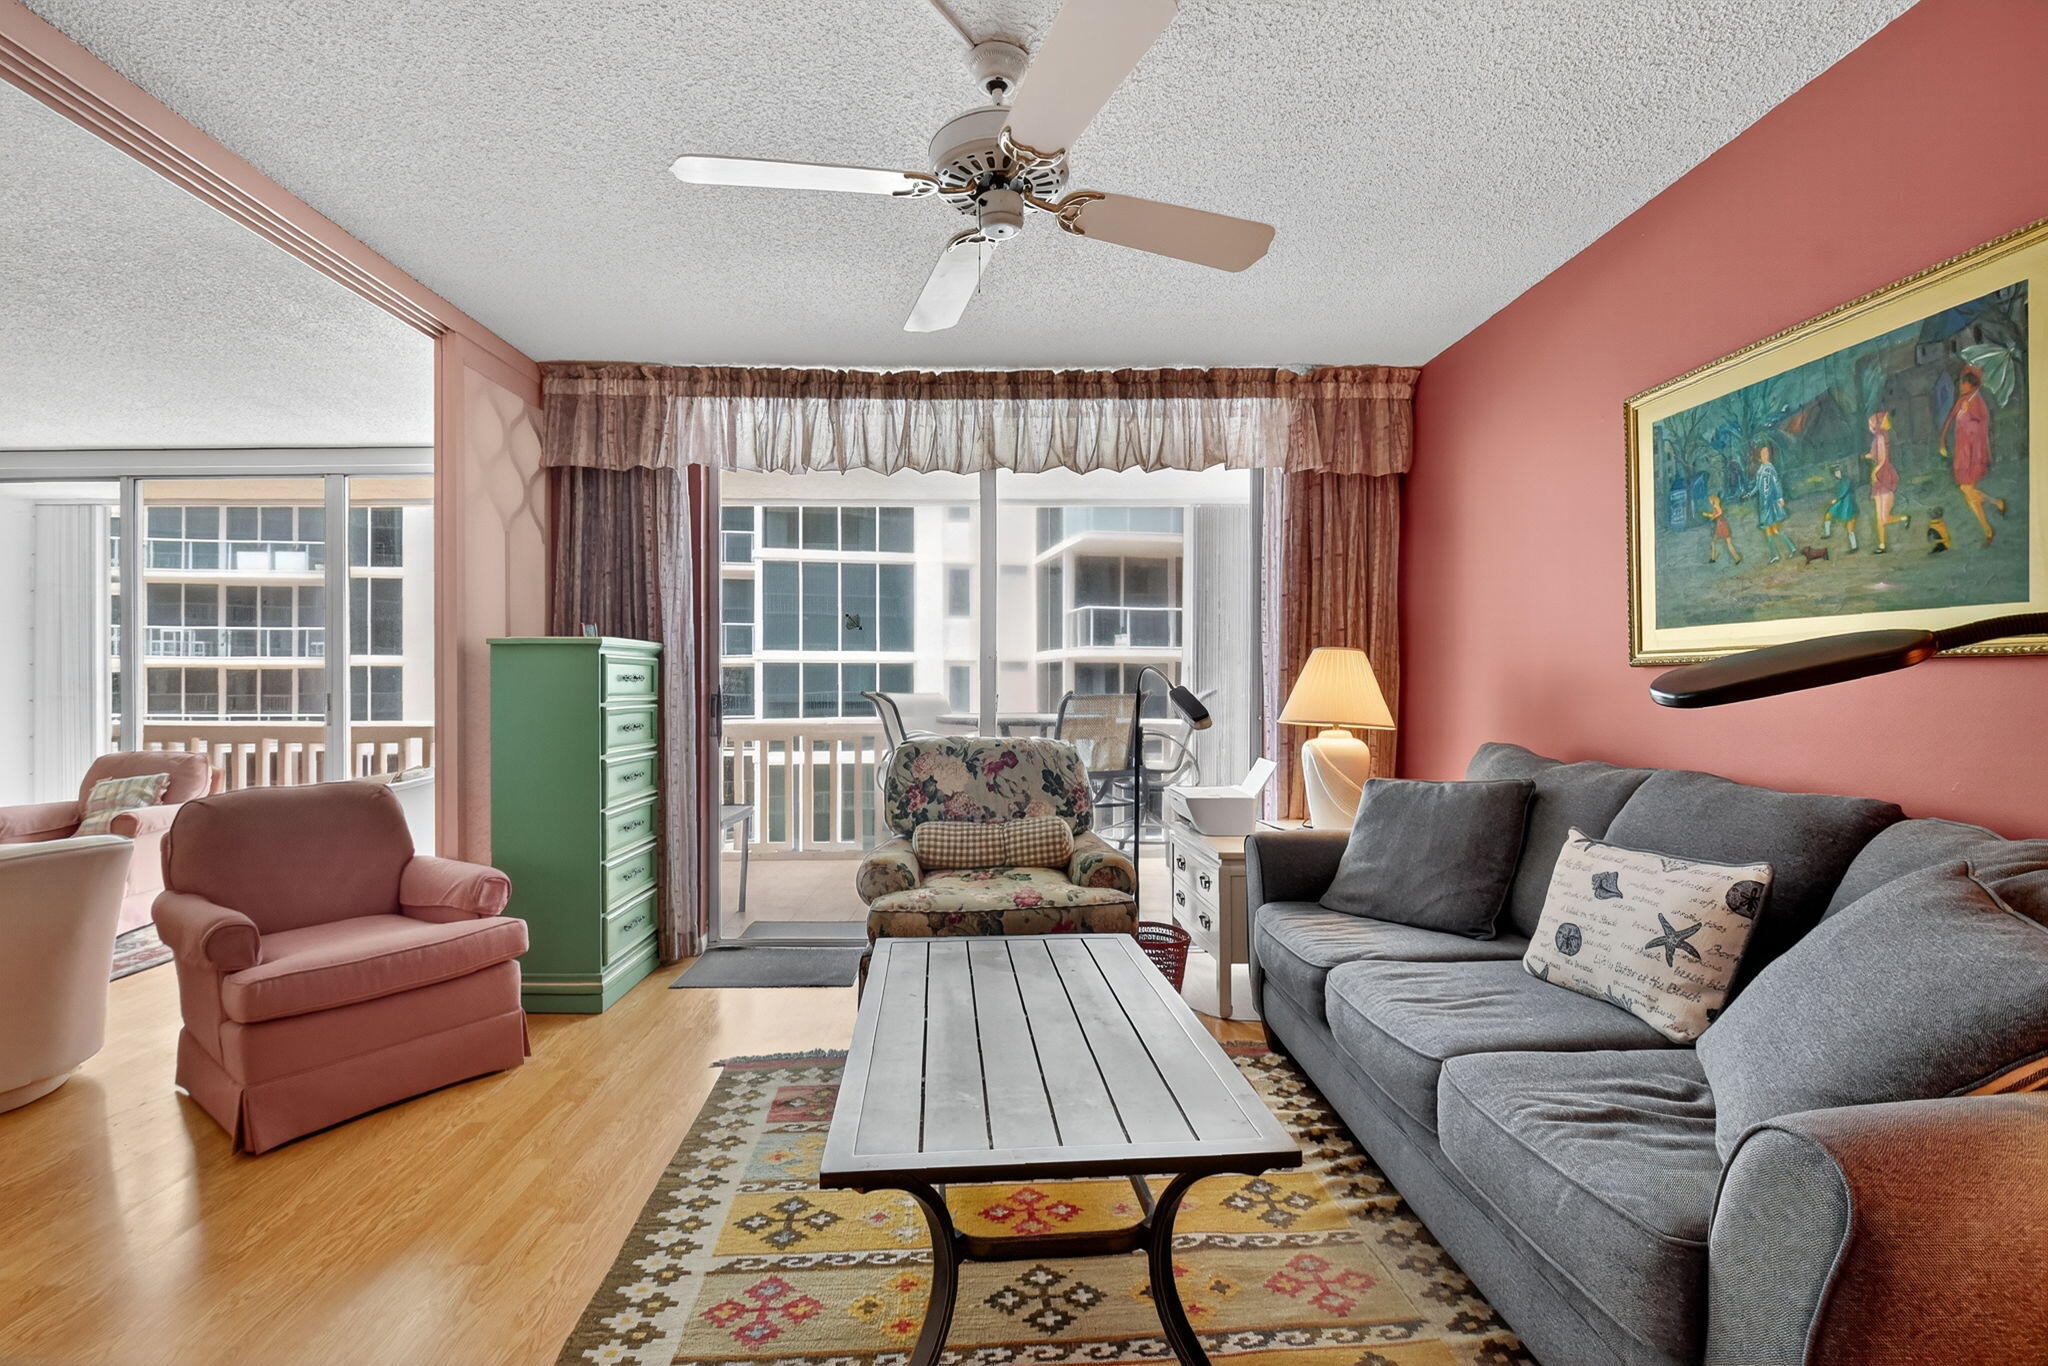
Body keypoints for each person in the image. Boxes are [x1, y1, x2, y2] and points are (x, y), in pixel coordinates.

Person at [1936, 366, 2007, 545]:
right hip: (1962, 452)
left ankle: (1988, 529)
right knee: (1967, 491)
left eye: (1964, 383)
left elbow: (1982, 427)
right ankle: (1996, 504)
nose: (1961, 386)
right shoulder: (1961, 401)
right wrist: (1942, 441)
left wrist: (1971, 415)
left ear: (1972, 385)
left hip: (1974, 453)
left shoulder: (1978, 403)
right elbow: (1949, 420)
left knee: (1967, 491)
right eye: (1961, 383)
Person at [1862, 411, 1910, 553]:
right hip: (1880, 474)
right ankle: (1881, 544)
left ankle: (1904, 518)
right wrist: (1866, 456)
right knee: (1880, 517)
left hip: (1884, 474)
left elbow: (1883, 458)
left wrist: (1874, 471)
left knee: (1883, 516)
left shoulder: (1881, 437)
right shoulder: (1878, 438)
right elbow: (1876, 454)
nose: (1888, 421)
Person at [1752, 446, 1800, 562]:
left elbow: (1777, 483)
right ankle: (1775, 555)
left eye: (1767, 453)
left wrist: (1780, 497)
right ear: (1759, 456)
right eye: (1763, 453)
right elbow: (1758, 486)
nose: (1765, 455)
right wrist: (1749, 494)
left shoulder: (1770, 468)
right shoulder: (1760, 469)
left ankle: (1791, 548)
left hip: (1771, 503)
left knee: (1774, 530)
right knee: (1768, 531)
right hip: (1763, 504)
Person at [1821, 464, 1860, 552]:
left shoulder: (1846, 480)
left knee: (1850, 525)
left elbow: (1843, 492)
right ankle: (1828, 533)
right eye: (1835, 473)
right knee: (1828, 514)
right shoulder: (1841, 481)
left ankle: (1854, 547)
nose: (1837, 474)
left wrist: (1836, 499)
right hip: (1841, 503)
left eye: (1838, 472)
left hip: (1847, 503)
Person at [1702, 491, 1741, 564]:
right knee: (1725, 542)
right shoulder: (1716, 505)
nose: (1709, 502)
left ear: (1712, 499)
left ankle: (1714, 557)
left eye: (1710, 500)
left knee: (1715, 542)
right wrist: (1708, 515)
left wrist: (1713, 516)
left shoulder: (1716, 505)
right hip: (1721, 524)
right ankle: (1736, 558)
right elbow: (1714, 514)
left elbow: (1720, 512)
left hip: (1721, 525)